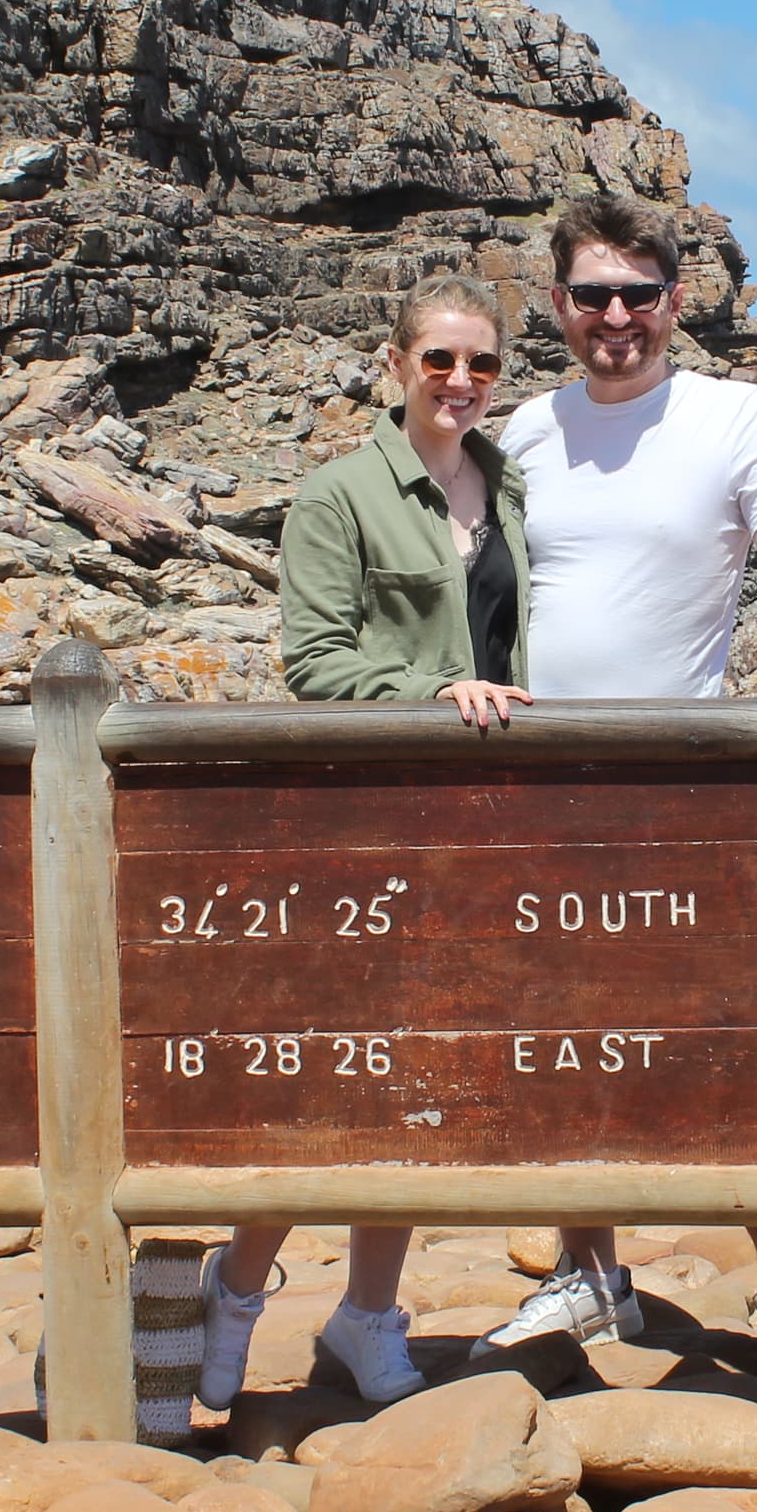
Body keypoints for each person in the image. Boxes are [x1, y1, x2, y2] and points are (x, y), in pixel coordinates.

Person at [486, 194, 757, 1376]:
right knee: (565, 1028)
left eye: (639, 294)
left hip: (687, 784)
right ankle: (591, 1271)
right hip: (539, 784)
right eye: (593, 294)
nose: (617, 317)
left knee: (736, 1033)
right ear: (557, 304)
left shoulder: (732, 412)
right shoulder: (522, 432)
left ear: (675, 300)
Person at [194, 273, 534, 1415]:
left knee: (424, 1079)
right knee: (339, 1079)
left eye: (481, 363)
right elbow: (313, 659)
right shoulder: (339, 495)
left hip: (480, 827)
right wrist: (435, 687)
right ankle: (234, 1289)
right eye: (439, 359)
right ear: (396, 365)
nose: (460, 382)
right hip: (368, 820)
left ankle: (367, 1313)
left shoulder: (511, 490)